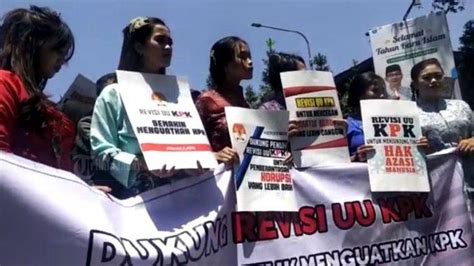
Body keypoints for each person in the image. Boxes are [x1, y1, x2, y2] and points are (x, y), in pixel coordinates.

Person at [90, 17, 180, 197]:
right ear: (138, 47)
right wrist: (140, 163)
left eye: (170, 42)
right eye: (160, 41)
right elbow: (100, 153)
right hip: (127, 202)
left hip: (176, 203)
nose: (168, 47)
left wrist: (197, 162)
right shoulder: (113, 95)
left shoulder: (178, 97)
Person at [0, 6, 76, 170]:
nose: (62, 61)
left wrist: (83, 187)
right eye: (58, 51)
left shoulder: (37, 100)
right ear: (30, 45)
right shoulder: (5, 84)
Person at [411, 58, 473, 191]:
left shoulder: (461, 106)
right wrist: (418, 148)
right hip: (436, 183)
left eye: (438, 76)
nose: (434, 81)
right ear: (415, 84)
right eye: (427, 78)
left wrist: (472, 141)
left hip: (470, 177)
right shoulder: (408, 114)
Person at [196, 36, 253, 166]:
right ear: (225, 65)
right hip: (217, 182)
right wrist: (214, 156)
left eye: (249, 56)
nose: (250, 62)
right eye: (243, 57)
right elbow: (191, 146)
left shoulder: (246, 105)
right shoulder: (206, 101)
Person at [346, 72, 388, 161]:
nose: (382, 95)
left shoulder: (397, 121)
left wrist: (418, 146)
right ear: (359, 94)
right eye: (375, 90)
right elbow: (334, 163)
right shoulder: (346, 126)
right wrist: (355, 158)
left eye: (383, 90)